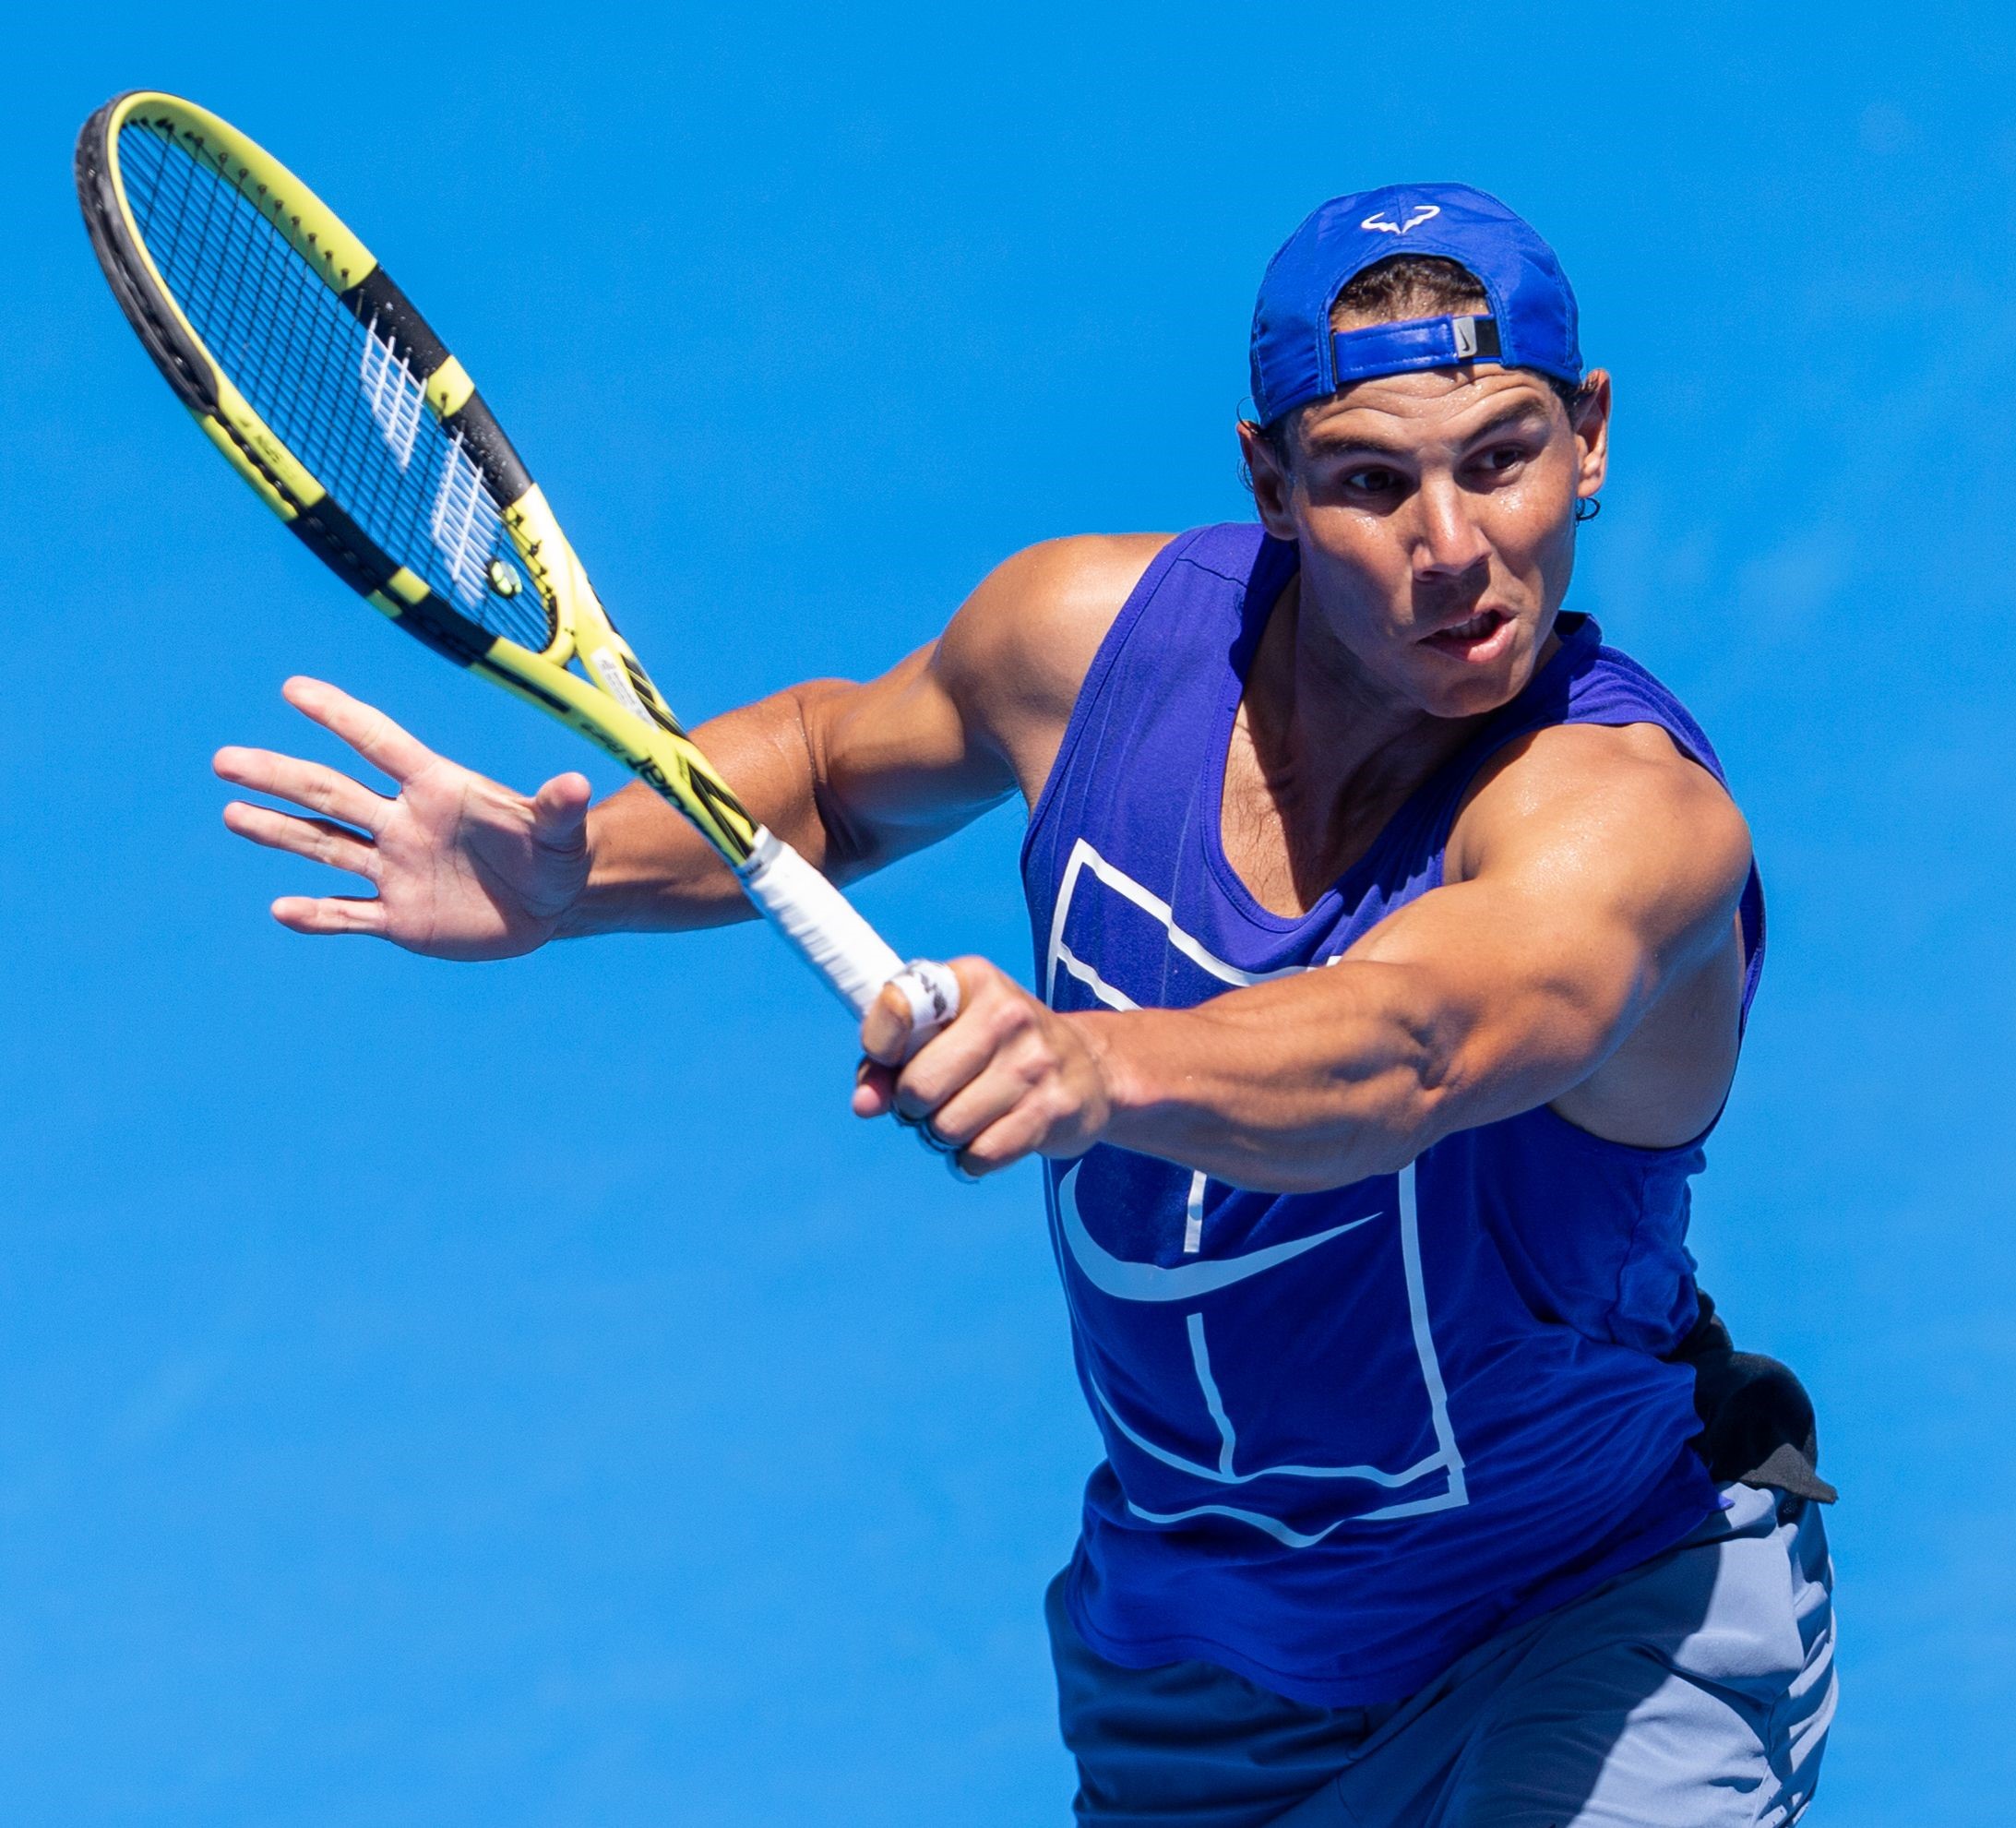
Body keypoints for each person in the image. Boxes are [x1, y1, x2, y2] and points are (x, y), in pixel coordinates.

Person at [213, 184, 1836, 1825]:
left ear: (1591, 438)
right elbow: (836, 771)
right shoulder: (1083, 643)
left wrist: (1089, 1062)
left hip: (1592, 1616)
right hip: (1199, 1686)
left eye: (1502, 454)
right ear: (1268, 484)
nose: (1454, 548)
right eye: (1369, 483)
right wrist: (580, 879)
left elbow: (1425, 1042)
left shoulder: (1628, 815)